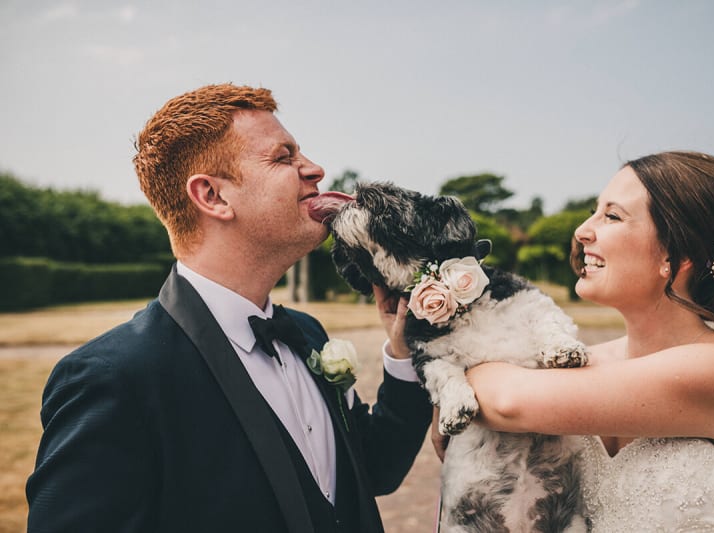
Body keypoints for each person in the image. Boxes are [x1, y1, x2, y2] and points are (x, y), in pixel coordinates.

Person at [26, 83, 432, 533]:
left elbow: (375, 469)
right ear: (212, 196)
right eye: (284, 157)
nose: (315, 169)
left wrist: (403, 351)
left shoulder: (307, 333)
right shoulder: (113, 378)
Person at [442, 151, 714, 531]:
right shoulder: (586, 363)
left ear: (675, 255)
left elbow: (508, 403)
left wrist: (452, 367)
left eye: (612, 216)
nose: (582, 230)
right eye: (595, 211)